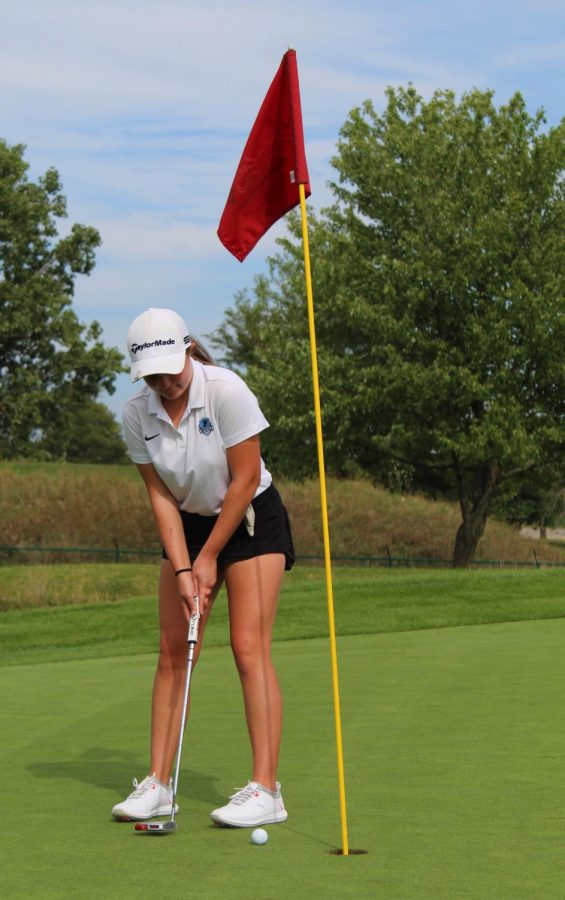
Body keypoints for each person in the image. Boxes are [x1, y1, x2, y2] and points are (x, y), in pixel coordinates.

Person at [112, 307, 294, 828]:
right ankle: (159, 784)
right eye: (152, 376)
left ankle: (266, 789)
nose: (165, 382)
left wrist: (210, 556)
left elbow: (244, 479)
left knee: (248, 648)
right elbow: (160, 498)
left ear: (188, 348)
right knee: (173, 652)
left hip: (251, 519)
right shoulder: (135, 415)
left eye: (171, 368)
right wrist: (182, 569)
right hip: (188, 525)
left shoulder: (225, 391)